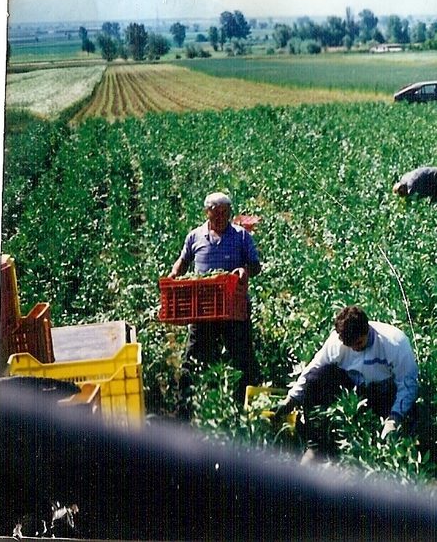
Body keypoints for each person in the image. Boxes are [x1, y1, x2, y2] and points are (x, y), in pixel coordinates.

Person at [168, 192, 262, 413]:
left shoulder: (241, 236)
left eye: (225, 213)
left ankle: (244, 406)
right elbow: (183, 260)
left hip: (233, 308)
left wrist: (244, 270)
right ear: (206, 212)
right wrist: (174, 274)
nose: (220, 217)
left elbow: (256, 267)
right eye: (215, 213)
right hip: (203, 309)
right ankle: (185, 407)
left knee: (243, 357)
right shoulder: (195, 236)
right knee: (194, 357)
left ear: (230, 213)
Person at [282, 305, 419, 447]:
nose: (354, 348)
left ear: (367, 329)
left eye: (358, 343)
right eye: (349, 345)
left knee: (408, 418)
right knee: (317, 377)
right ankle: (317, 444)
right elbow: (314, 368)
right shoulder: (336, 342)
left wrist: (394, 418)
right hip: (353, 391)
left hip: (384, 393)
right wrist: (292, 398)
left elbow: (408, 385)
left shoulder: (394, 343)